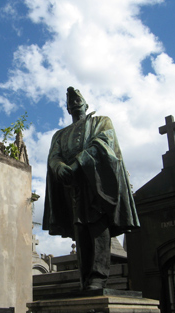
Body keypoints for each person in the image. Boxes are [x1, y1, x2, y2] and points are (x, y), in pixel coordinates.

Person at [43, 86, 139, 291]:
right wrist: (59, 167)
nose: (75, 102)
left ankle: (98, 277)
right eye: (71, 101)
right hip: (72, 188)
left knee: (97, 224)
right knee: (80, 229)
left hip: (96, 184)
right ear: (67, 109)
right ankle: (85, 279)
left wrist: (78, 163)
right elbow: (54, 155)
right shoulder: (59, 135)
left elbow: (103, 143)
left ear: (86, 105)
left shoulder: (101, 121)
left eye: (79, 100)